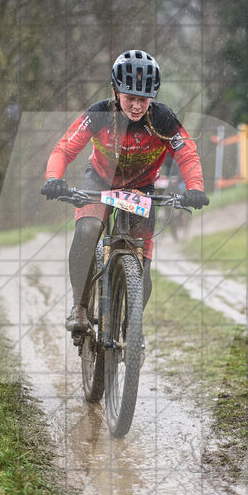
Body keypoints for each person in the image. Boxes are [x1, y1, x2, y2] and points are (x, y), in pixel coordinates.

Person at [41, 49, 209, 335]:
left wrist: (195, 188)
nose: (135, 106)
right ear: (116, 91)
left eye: (142, 99)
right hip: (99, 182)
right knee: (88, 230)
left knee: (142, 266)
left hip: (141, 188)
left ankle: (132, 333)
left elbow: (187, 154)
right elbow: (65, 148)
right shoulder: (99, 114)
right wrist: (53, 178)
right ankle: (79, 308)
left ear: (152, 97)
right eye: (129, 97)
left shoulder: (163, 119)